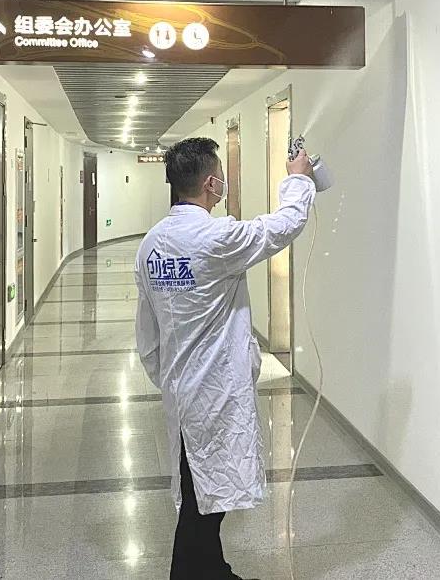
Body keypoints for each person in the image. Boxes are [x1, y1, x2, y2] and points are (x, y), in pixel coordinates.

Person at [135, 137, 316, 580]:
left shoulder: (151, 245)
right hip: (216, 390)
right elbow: (282, 226)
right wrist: (298, 180)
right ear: (211, 184)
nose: (223, 182)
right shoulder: (217, 238)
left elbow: (147, 334)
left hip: (182, 390)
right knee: (203, 499)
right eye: (221, 175)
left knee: (201, 487)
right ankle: (189, 574)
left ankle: (214, 569)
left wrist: (169, 379)